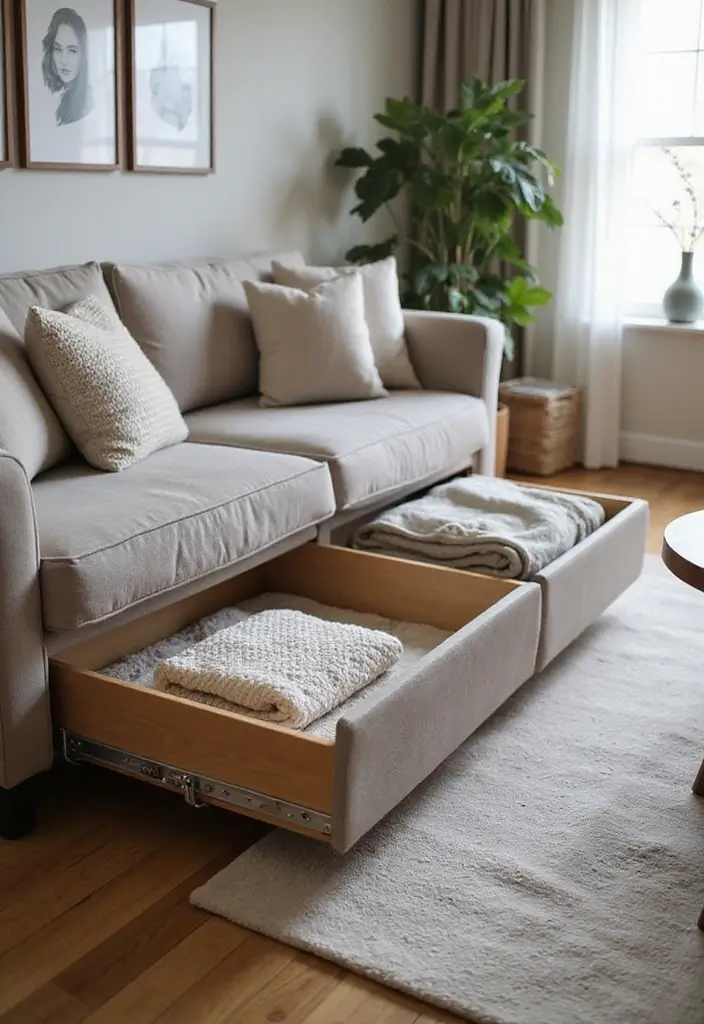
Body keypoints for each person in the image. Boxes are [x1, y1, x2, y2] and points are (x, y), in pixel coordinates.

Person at [41, 8, 93, 126]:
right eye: (58, 49)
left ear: (83, 54)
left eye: (72, 51)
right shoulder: (47, 96)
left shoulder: (88, 102)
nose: (64, 60)